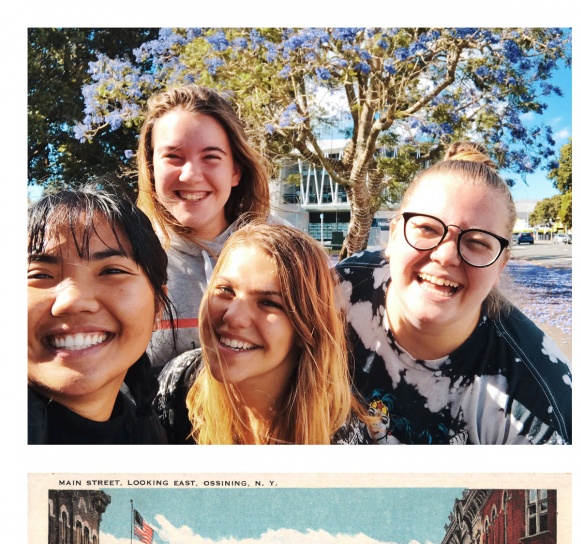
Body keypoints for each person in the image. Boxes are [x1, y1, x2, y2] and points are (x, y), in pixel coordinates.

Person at [336, 141, 572, 444]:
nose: (446, 256)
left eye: (477, 241)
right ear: (394, 236)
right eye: (427, 229)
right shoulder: (340, 289)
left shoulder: (538, 404)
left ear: (500, 265)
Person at [155, 222, 370, 444]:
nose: (233, 316)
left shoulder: (340, 437)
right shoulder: (178, 382)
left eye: (269, 303)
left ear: (307, 327)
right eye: (226, 290)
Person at [137, 84, 272, 369]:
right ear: (151, 168)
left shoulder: (282, 254)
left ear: (235, 171)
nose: (191, 175)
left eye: (211, 157)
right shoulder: (127, 259)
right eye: (173, 157)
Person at [28, 186, 175, 444]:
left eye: (111, 271)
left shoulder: (149, 434)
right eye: (40, 275)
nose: (72, 301)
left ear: (157, 307)